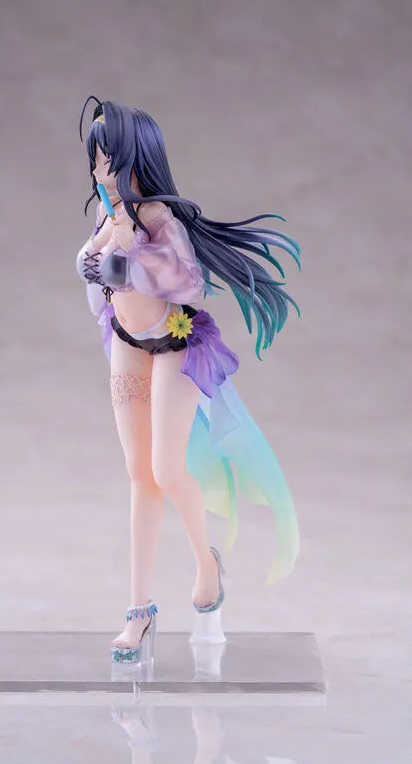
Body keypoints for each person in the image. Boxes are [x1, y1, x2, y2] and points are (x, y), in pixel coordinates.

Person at [75, 97, 302, 665]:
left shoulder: (157, 217)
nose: (101, 169)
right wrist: (102, 242)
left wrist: (131, 242)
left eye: (110, 157)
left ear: (136, 157)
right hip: (126, 344)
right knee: (138, 476)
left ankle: (207, 564)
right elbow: (89, 267)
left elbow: (187, 281)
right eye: (96, 158)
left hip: (174, 345)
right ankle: (139, 610)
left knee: (167, 471)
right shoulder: (107, 213)